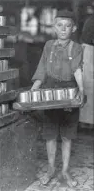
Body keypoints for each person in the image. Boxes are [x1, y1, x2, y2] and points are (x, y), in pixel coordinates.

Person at [31, 10, 84, 187]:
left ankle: (65, 171)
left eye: (68, 26)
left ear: (74, 28)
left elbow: (77, 70)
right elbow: (42, 69)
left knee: (67, 136)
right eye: (60, 25)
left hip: (69, 93)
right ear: (54, 27)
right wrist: (33, 90)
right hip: (51, 93)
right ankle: (51, 169)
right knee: (50, 135)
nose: (63, 29)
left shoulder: (76, 48)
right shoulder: (48, 46)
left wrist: (81, 92)